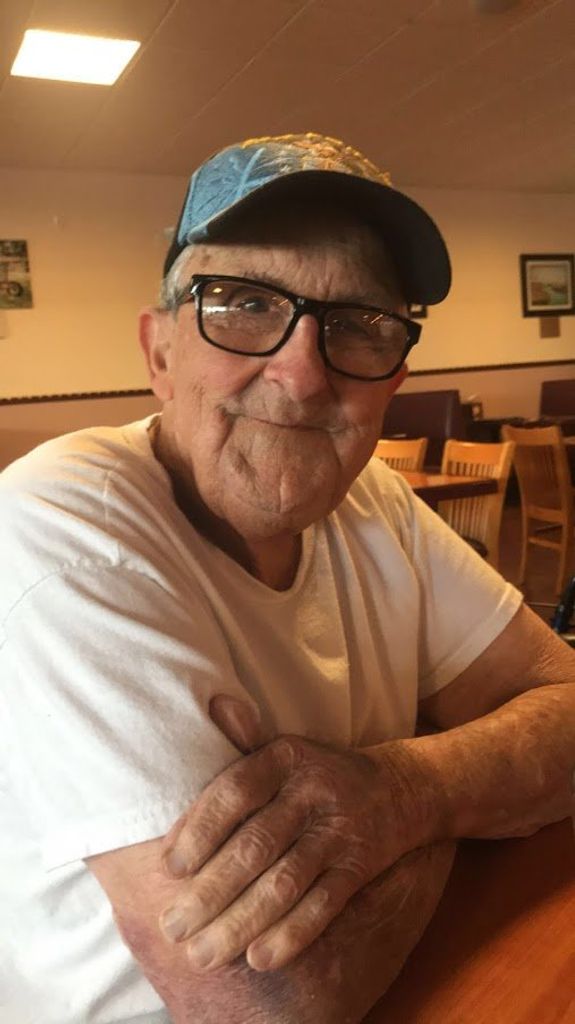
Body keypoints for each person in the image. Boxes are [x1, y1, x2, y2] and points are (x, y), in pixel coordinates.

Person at [1, 132, 574, 1024]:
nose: (302, 375)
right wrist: (464, 775)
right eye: (242, 304)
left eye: (359, 324)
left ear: (395, 376)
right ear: (159, 353)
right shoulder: (59, 528)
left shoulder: (376, 502)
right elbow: (265, 997)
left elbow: (563, 702)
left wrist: (405, 794)